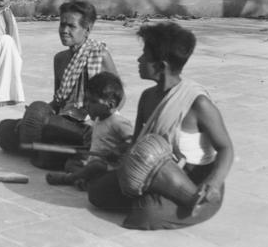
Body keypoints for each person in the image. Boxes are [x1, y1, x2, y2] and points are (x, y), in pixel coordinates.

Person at [88, 22, 234, 230]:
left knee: (143, 215)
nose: (138, 60)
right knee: (97, 193)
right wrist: (120, 155)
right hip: (150, 169)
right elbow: (136, 143)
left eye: (144, 55)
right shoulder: (147, 98)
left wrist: (214, 183)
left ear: (160, 66)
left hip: (193, 181)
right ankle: (157, 196)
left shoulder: (198, 104)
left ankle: (188, 203)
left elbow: (226, 148)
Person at [0, 0, 118, 168]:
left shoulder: (100, 55)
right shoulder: (59, 59)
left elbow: (120, 98)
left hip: (88, 126)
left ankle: (54, 150)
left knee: (47, 129)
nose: (64, 31)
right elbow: (58, 102)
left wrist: (101, 124)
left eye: (71, 26)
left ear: (87, 29)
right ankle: (55, 151)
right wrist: (33, 116)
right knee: (5, 129)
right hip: (62, 121)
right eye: (62, 25)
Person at [46, 72, 132, 189]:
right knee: (71, 163)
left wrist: (117, 150)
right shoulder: (98, 120)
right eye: (86, 100)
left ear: (110, 104)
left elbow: (133, 140)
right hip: (94, 162)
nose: (86, 105)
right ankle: (83, 180)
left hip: (111, 168)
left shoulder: (118, 122)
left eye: (92, 101)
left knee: (95, 166)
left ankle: (68, 179)